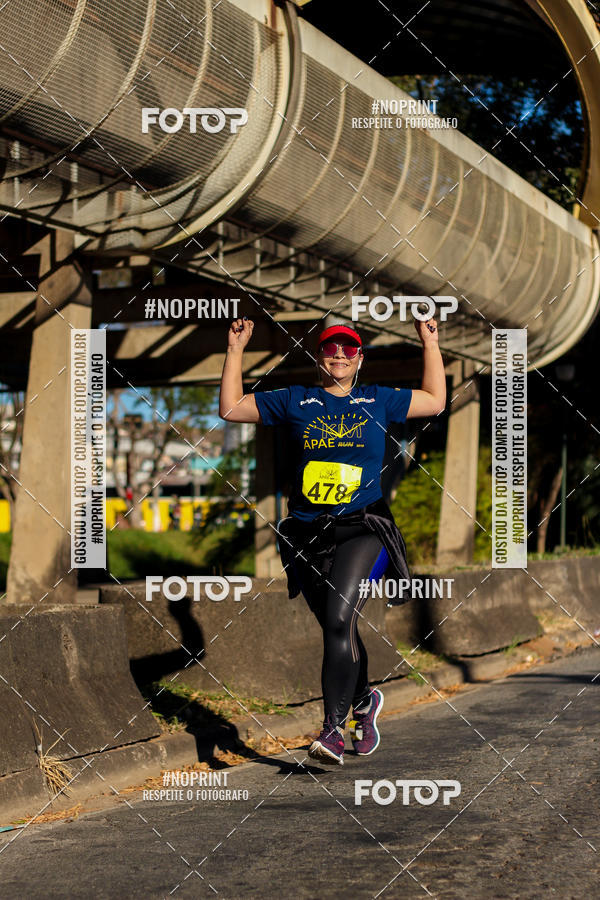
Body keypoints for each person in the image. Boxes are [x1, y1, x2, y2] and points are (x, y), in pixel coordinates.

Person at [219, 315, 446, 765]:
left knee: (341, 620)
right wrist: (234, 349)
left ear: (359, 358)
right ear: (319, 357)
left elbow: (436, 401)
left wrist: (429, 342)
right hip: (306, 533)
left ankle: (331, 731)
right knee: (333, 625)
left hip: (364, 528)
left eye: (348, 349)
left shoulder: (378, 399)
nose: (339, 355)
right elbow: (231, 409)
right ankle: (364, 701)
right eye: (330, 349)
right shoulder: (296, 400)